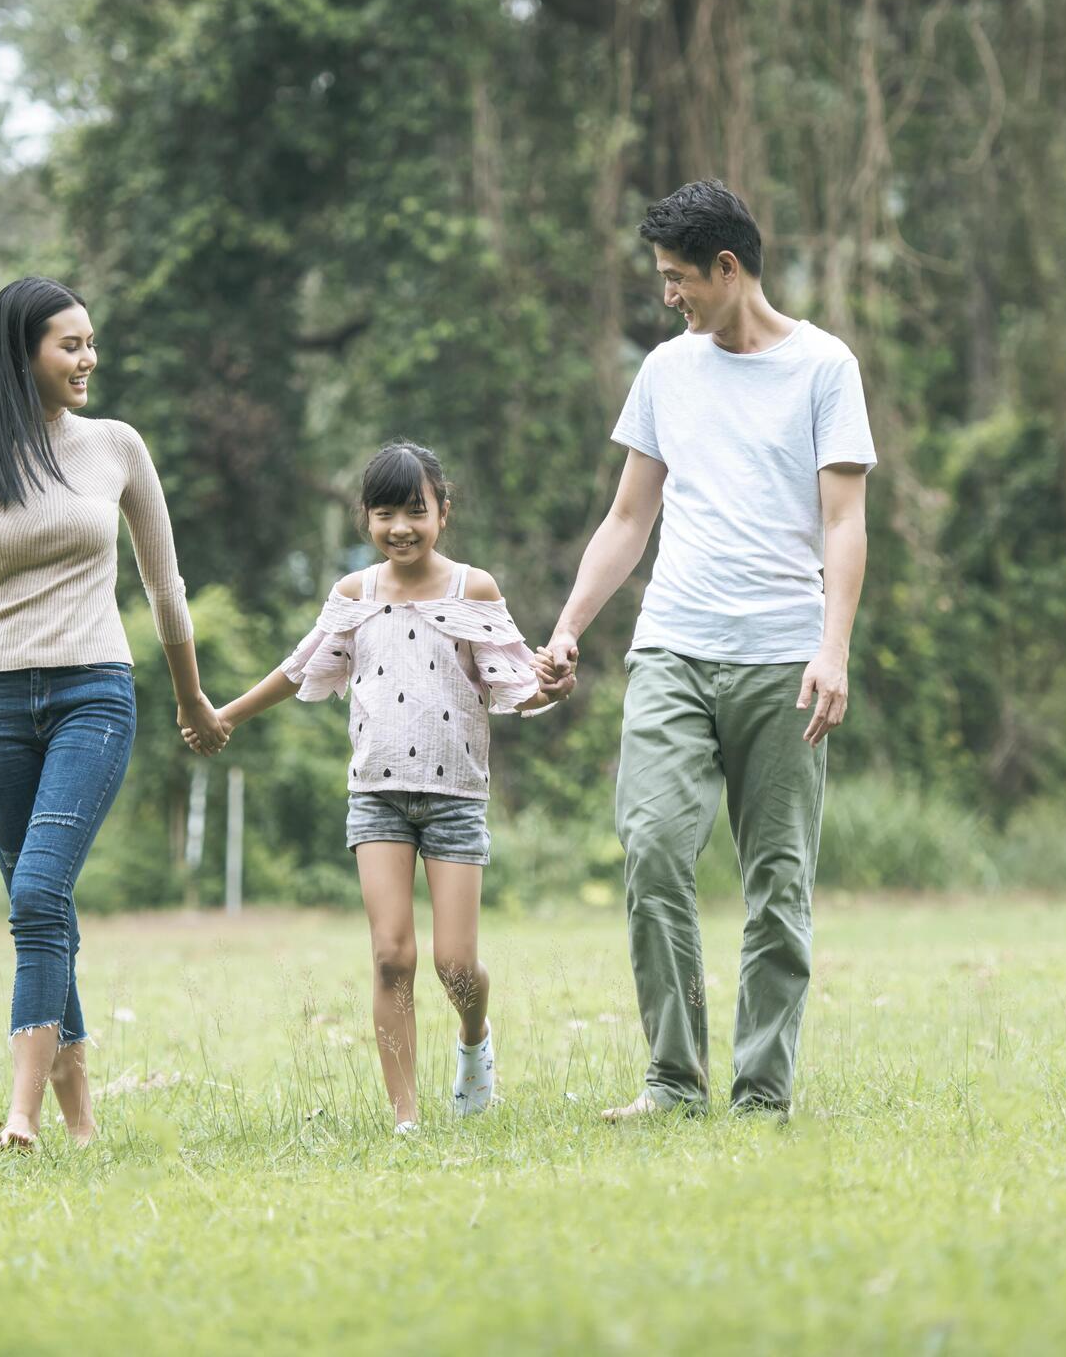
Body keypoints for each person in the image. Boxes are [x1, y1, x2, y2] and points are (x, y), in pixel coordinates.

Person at [535, 181, 873, 1121]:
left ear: (729, 269)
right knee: (650, 847)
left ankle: (761, 1092)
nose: (668, 295)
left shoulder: (823, 367)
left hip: (780, 657)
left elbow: (843, 520)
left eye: (679, 278)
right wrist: (567, 626)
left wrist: (832, 649)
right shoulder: (666, 371)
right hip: (673, 648)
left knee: (777, 883)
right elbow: (628, 515)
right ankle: (673, 1081)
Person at [0, 275, 226, 1151]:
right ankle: (83, 1125)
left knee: (39, 892)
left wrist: (189, 692)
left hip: (95, 689)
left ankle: (21, 1115)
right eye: (70, 345)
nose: (89, 359)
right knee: (40, 906)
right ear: (24, 353)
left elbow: (165, 585)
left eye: (90, 342)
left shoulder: (116, 446)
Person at [199, 441, 566, 1133]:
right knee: (391, 955)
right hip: (376, 795)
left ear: (442, 513)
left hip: (455, 795)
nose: (400, 526)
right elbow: (298, 667)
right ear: (364, 518)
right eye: (384, 512)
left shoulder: (472, 590)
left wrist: (553, 687)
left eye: (415, 511)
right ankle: (405, 1115)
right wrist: (227, 714)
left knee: (455, 965)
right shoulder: (354, 596)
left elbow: (517, 685)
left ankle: (473, 1040)